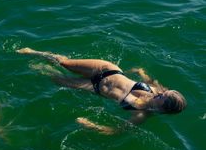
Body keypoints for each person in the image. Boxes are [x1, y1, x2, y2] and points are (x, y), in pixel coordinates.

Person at [16, 48, 186, 133]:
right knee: (65, 63)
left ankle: (36, 67)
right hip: (108, 70)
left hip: (95, 88)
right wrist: (140, 72)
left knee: (55, 79)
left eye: (163, 97)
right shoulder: (155, 89)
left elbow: (115, 130)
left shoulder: (141, 114)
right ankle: (34, 52)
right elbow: (150, 80)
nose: (161, 93)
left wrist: (91, 125)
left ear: (163, 108)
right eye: (165, 92)